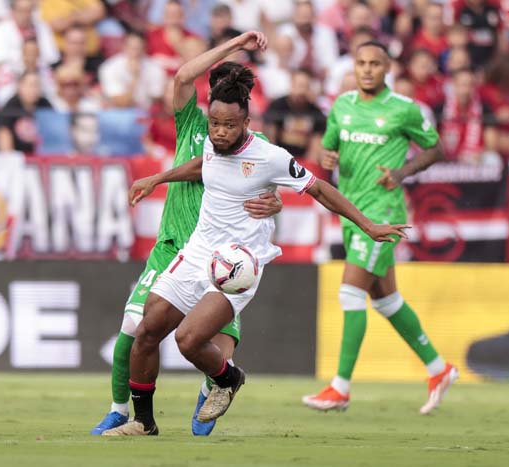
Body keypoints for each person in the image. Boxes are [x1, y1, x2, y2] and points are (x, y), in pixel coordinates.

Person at [105, 65, 408, 438]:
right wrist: (159, 178)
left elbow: (319, 188)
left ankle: (228, 378)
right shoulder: (213, 144)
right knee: (147, 330)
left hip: (237, 264)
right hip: (197, 252)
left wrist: (367, 225)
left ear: (246, 122)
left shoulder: (269, 156)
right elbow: (204, 165)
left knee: (188, 340)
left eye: (229, 126)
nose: (220, 131)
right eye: (215, 124)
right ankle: (143, 422)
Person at [90, 31, 282, 437]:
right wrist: (234, 44)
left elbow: (273, 190)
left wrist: (276, 203)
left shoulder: (256, 143)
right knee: (135, 326)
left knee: (214, 344)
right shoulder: (192, 121)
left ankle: (216, 385)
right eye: (215, 86)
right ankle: (122, 411)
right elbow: (181, 77)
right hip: (175, 244)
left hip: (225, 258)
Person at [302, 41, 458, 416]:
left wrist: (402, 172)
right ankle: (439, 369)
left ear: (387, 68)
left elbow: (436, 149)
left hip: (381, 214)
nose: (368, 69)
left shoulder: (404, 109)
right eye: (361, 63)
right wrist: (328, 157)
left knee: (350, 293)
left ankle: (340, 388)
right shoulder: (342, 106)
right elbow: (328, 150)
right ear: (354, 68)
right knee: (387, 301)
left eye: (375, 63)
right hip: (351, 212)